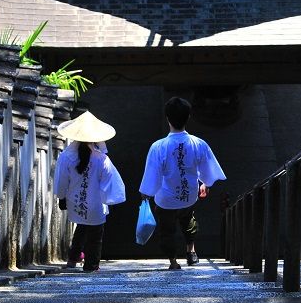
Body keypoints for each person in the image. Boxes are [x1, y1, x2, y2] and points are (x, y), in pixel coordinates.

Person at [139, 97, 226, 270]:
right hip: (189, 196)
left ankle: (173, 261)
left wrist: (146, 192)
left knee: (167, 230)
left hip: (165, 199)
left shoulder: (159, 146)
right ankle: (191, 250)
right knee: (188, 221)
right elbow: (207, 170)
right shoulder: (198, 143)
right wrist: (205, 184)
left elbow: (152, 175)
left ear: (168, 118)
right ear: (188, 118)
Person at [54, 111, 126, 272]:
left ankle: (73, 259)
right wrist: (108, 199)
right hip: (96, 203)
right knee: (95, 234)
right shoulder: (102, 159)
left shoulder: (66, 156)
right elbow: (110, 183)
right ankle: (91, 265)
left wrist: (61, 196)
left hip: (75, 201)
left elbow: (61, 181)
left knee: (81, 227)